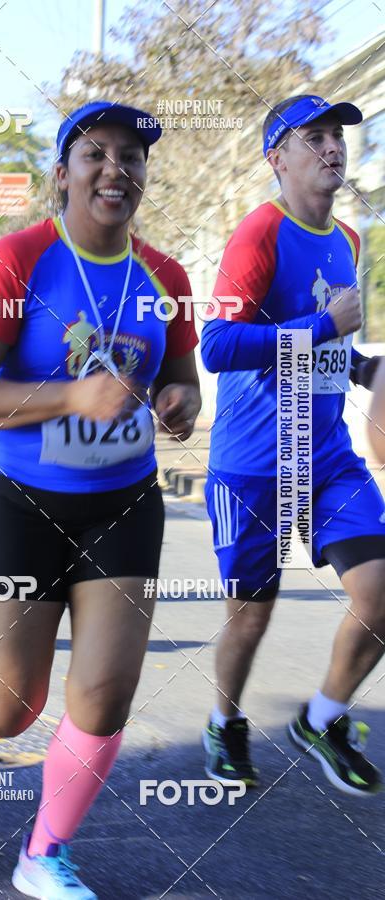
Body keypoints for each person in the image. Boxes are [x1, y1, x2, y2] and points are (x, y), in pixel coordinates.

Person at [0, 100, 201, 899]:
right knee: (11, 704)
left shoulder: (165, 277)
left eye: (132, 158)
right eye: (97, 154)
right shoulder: (20, 258)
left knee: (104, 694)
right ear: (62, 174)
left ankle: (44, 853)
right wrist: (72, 396)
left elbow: (183, 383)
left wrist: (179, 406)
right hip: (19, 502)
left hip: (124, 504)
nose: (117, 169)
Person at [201, 94, 385, 796]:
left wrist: (370, 367)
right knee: (251, 619)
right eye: (314, 137)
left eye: (337, 136)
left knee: (381, 591)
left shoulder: (350, 241)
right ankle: (224, 721)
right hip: (252, 463)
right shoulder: (259, 234)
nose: (332, 147)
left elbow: (336, 349)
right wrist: (317, 327)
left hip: (328, 455)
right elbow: (216, 346)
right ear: (278, 158)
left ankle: (321, 719)